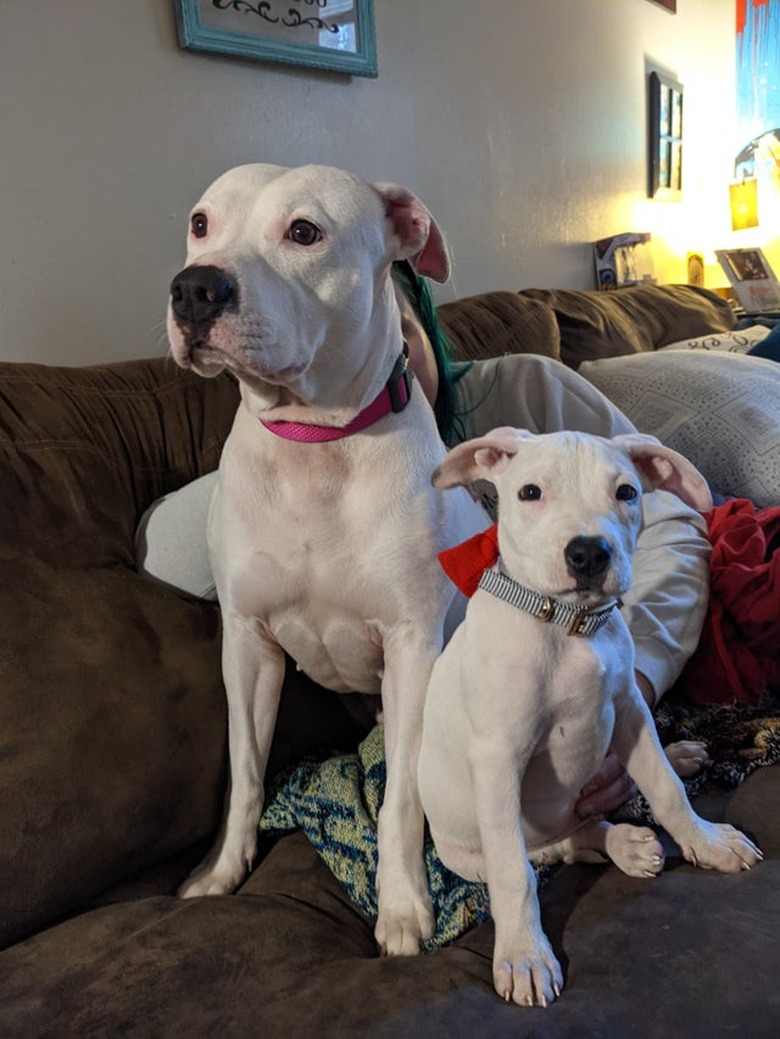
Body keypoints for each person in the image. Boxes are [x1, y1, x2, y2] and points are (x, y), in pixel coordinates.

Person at [136, 262, 711, 817]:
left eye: (398, 334)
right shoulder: (276, 466)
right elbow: (168, 553)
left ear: (429, 330)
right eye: (350, 344)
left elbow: (672, 524)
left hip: (581, 685)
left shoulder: (531, 389)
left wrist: (630, 686)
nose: (378, 364)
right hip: (453, 728)